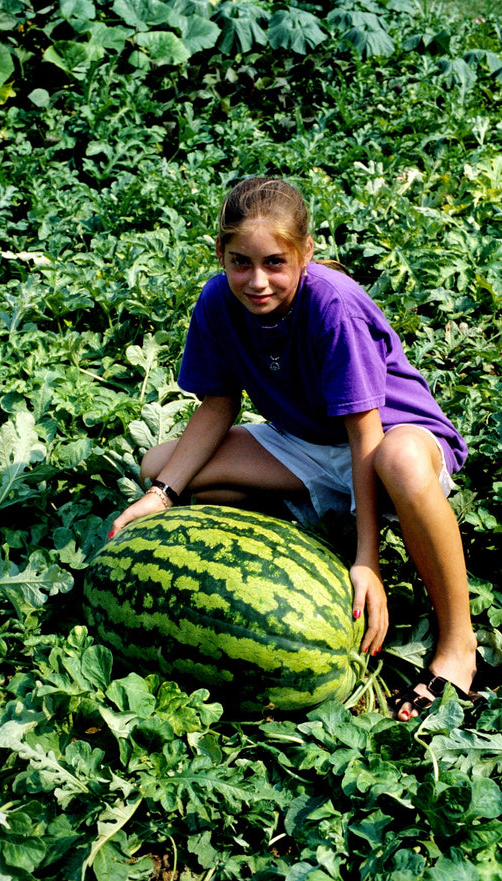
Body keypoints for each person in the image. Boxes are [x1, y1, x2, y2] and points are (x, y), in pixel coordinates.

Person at [110, 177, 478, 721]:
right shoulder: (216, 302)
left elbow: (365, 435)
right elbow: (218, 404)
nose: (257, 281)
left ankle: (458, 646)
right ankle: (300, 538)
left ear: (306, 254)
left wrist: (366, 559)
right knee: (161, 465)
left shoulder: (334, 306)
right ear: (221, 254)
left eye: (275, 263)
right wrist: (162, 496)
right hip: (305, 442)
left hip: (392, 441)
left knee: (398, 462)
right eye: (240, 262)